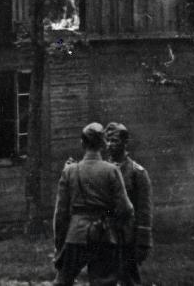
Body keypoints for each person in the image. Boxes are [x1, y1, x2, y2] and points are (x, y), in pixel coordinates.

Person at [53, 122, 134, 286]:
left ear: (82, 143)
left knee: (63, 281)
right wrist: (109, 217)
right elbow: (126, 208)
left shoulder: (69, 171)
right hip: (104, 235)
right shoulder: (112, 170)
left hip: (76, 234)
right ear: (103, 144)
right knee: (103, 282)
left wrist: (60, 244)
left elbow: (60, 214)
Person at [105, 122, 153, 286]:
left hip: (127, 237)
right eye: (108, 140)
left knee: (129, 280)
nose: (110, 145)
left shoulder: (137, 172)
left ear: (125, 143)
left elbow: (144, 210)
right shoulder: (102, 170)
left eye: (115, 141)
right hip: (104, 235)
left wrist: (143, 242)